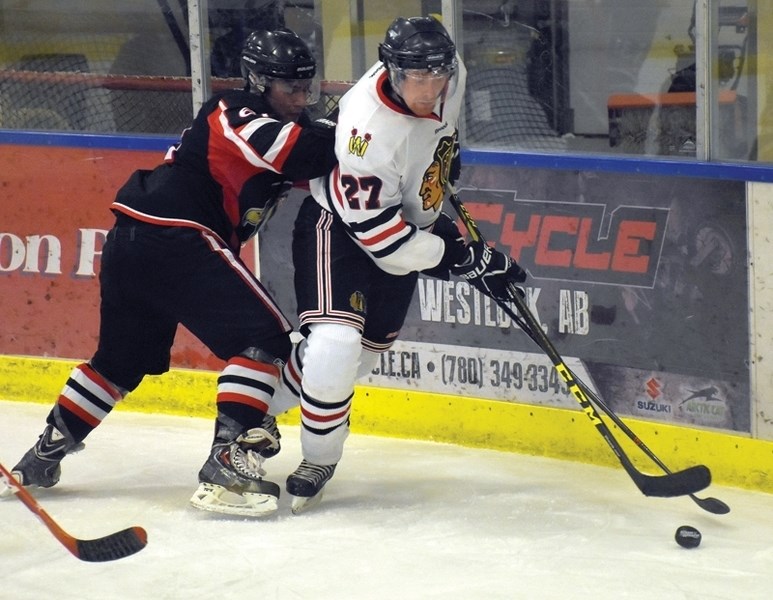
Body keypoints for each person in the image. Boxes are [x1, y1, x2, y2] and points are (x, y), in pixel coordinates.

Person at [1, 29, 338, 518]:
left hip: (133, 241)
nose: (302, 98)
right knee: (264, 338)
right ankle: (226, 465)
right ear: (258, 82)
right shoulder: (237, 112)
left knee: (119, 363)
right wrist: (356, 127)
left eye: (307, 88)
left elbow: (319, 168)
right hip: (177, 236)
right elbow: (307, 154)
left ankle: (42, 456)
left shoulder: (278, 122)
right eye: (292, 89)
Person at [278, 15, 526, 513]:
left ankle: (261, 405)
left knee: (361, 359)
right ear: (391, 70)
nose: (430, 86)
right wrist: (463, 258)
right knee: (333, 346)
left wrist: (443, 162)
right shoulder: (365, 132)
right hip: (343, 230)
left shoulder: (450, 71)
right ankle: (312, 452)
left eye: (437, 75)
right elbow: (383, 240)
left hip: (410, 222)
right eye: (417, 77)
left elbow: (442, 132)